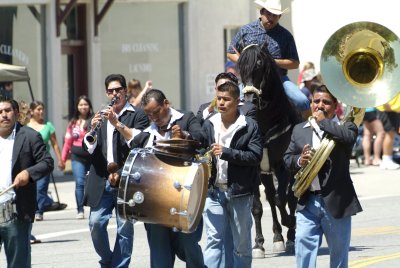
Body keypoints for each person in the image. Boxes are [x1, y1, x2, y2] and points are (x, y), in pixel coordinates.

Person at [283, 85, 363, 267]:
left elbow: (349, 139)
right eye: (316, 101)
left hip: (336, 201)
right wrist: (299, 160)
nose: (320, 106)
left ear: (335, 106)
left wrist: (323, 122)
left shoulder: (346, 126)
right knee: (303, 249)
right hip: (308, 201)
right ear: (310, 103)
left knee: (339, 256)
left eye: (326, 102)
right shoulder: (299, 129)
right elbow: (287, 159)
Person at [131, 89, 205, 268]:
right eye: (148, 114)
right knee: (159, 252)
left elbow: (202, 138)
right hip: (156, 200)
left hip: (184, 197)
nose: (153, 117)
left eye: (156, 112)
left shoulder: (186, 118)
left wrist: (185, 136)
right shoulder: (147, 132)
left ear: (166, 103)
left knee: (188, 245)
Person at [83, 73, 149, 267]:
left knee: (125, 229)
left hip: (127, 179)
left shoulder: (137, 115)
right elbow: (89, 147)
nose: (114, 94)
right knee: (95, 223)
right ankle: (107, 261)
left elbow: (139, 144)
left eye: (118, 90)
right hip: (101, 179)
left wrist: (117, 124)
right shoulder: (101, 115)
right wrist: (92, 129)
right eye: (110, 91)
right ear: (106, 92)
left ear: (125, 91)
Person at [202, 81, 263, 268]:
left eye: (226, 99)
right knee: (213, 241)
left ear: (238, 102)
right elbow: (201, 149)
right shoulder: (209, 123)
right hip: (213, 192)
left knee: (241, 246)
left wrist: (227, 152)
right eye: (219, 98)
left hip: (240, 193)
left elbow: (255, 156)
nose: (221, 103)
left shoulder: (249, 125)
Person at [226, 0, 309, 111]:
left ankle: (304, 127)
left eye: (275, 15)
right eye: (268, 14)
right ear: (261, 12)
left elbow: (294, 63)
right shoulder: (246, 30)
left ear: (279, 16)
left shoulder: (286, 36)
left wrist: (271, 61)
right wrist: (247, 61)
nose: (271, 18)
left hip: (279, 79)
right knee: (230, 102)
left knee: (302, 101)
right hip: (250, 80)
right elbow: (230, 52)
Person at [0, 97, 54, 267]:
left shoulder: (29, 136)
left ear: (16, 113)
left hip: (16, 209)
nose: (4, 115)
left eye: (7, 110)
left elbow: (47, 162)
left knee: (18, 263)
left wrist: (28, 173)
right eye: (0, 112)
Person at [27, 100, 66, 221]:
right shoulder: (25, 127)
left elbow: (54, 144)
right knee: (30, 189)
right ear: (32, 111)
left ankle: (39, 211)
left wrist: (60, 160)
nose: (41, 111)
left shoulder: (48, 126)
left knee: (41, 188)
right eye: (38, 109)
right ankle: (35, 208)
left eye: (42, 109)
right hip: (29, 162)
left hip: (44, 161)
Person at [61, 95, 94, 219]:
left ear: (89, 106)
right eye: (81, 104)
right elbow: (67, 142)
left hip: (92, 157)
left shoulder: (94, 120)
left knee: (91, 183)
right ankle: (80, 209)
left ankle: (94, 207)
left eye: (85, 104)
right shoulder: (73, 123)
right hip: (77, 157)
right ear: (77, 107)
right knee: (79, 182)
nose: (83, 107)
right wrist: (63, 160)